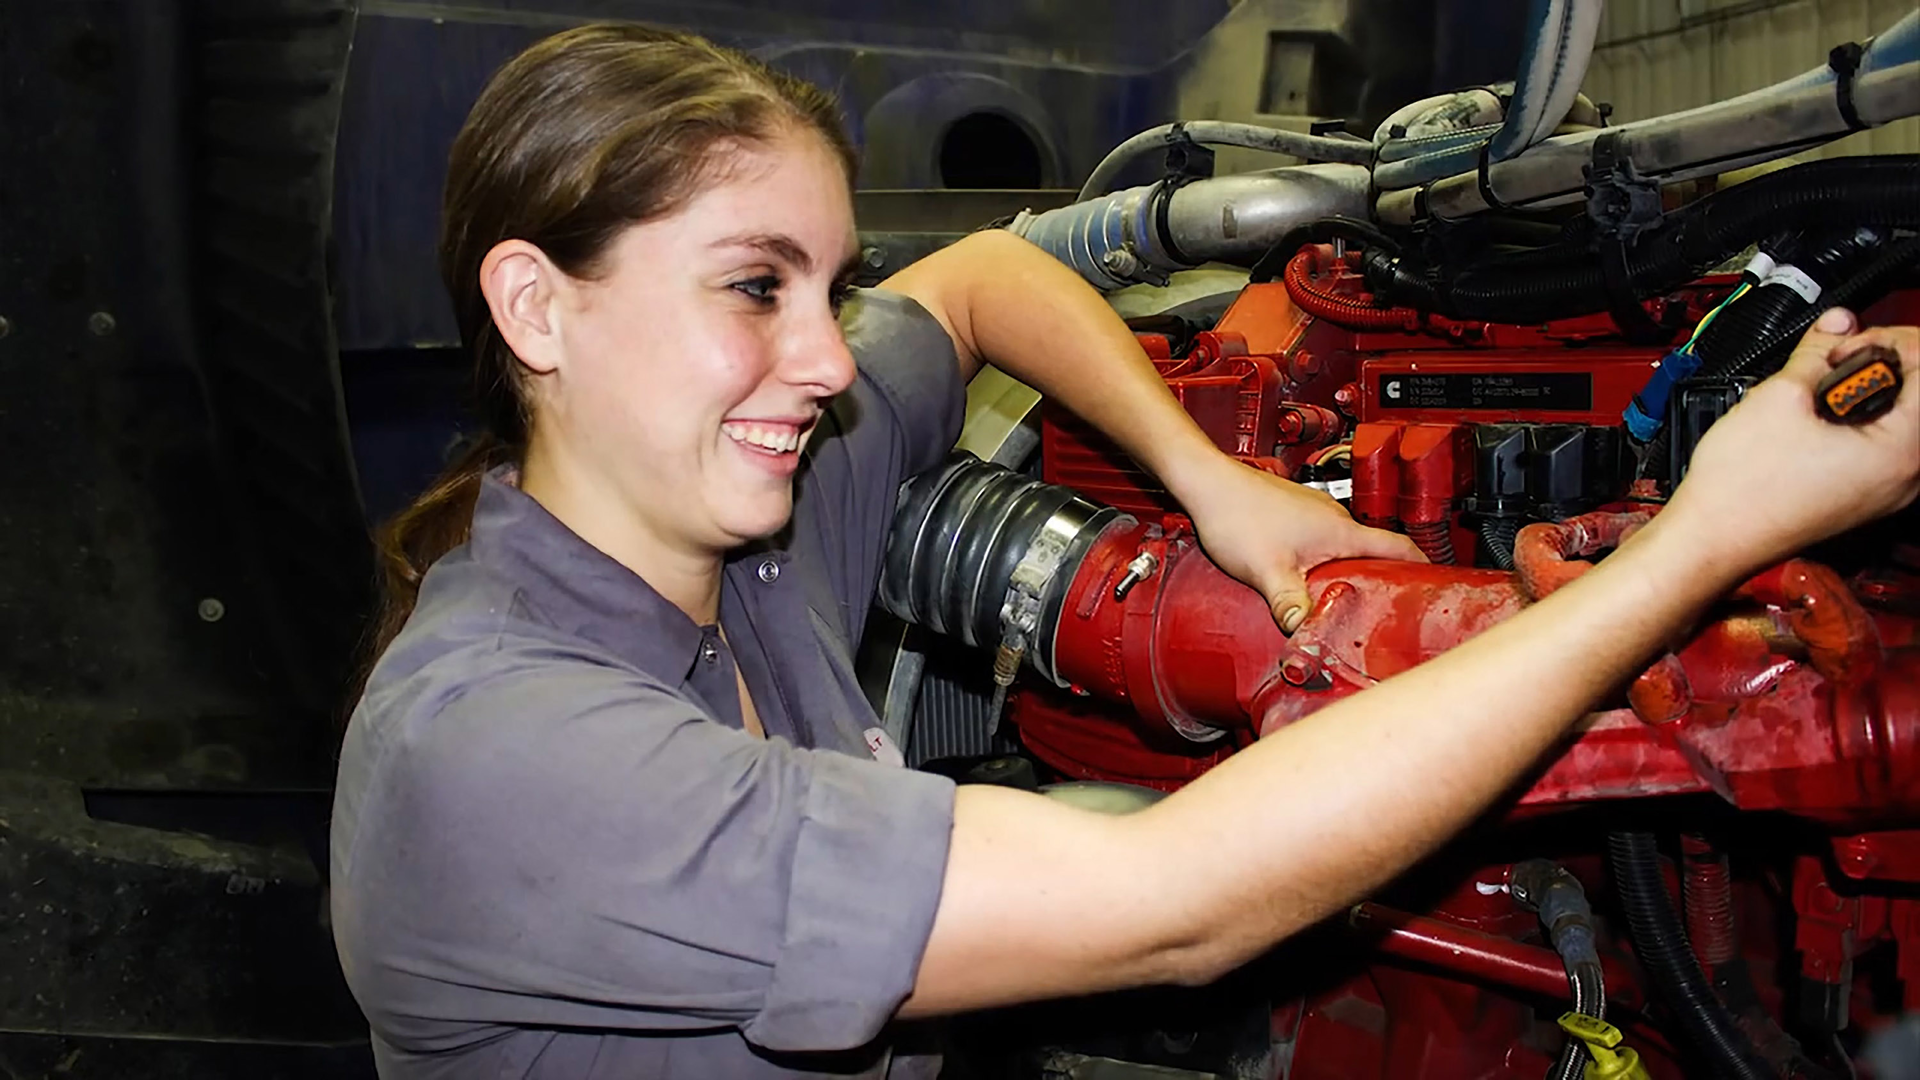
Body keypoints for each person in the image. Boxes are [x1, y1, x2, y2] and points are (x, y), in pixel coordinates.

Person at [328, 22, 1920, 1080]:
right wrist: (1713, 534)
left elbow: (966, 283)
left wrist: (1210, 480)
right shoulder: (500, 756)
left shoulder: (745, 526)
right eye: (754, 287)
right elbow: (1181, 900)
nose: (824, 361)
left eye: (828, 285)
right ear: (537, 306)